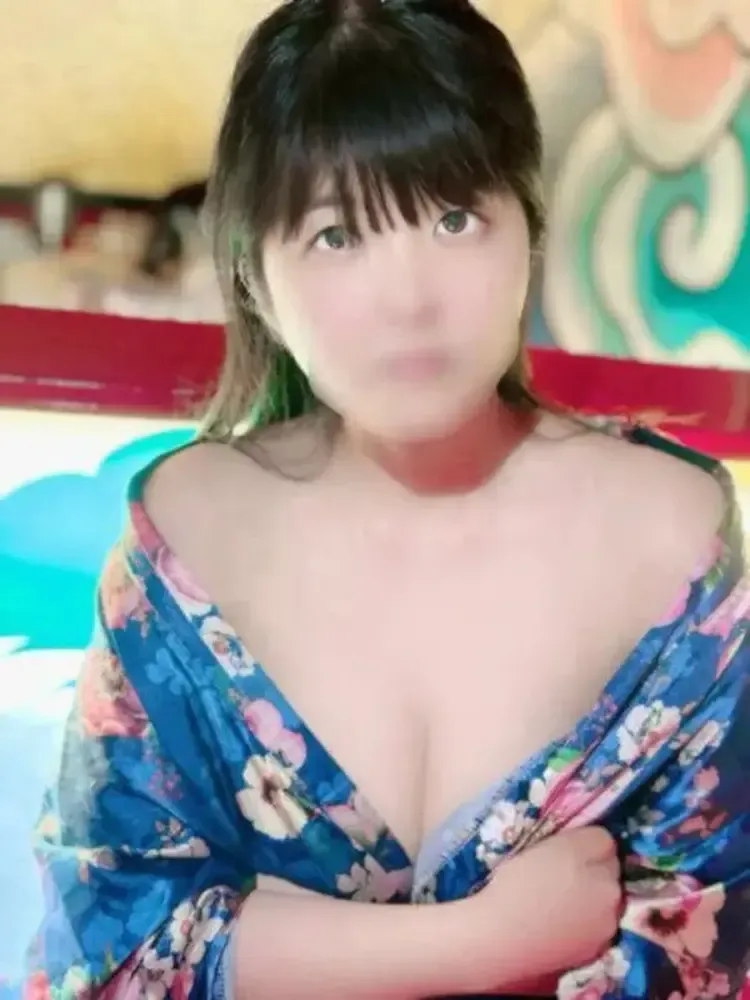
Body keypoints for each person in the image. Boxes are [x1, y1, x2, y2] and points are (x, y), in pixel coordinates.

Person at [26, 0, 750, 997]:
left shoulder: (670, 536)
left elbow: (716, 949)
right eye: (337, 236)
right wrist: (488, 939)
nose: (409, 298)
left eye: (454, 218)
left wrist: (282, 944)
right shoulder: (186, 537)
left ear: (528, 228)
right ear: (255, 276)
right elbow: (110, 950)